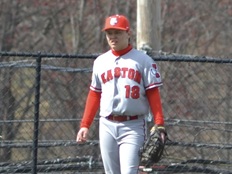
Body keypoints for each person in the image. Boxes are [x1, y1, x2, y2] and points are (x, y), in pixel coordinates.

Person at [76, 14, 166, 174]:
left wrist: (159, 123)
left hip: (133, 125)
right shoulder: (100, 62)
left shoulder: (142, 60)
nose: (113, 37)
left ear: (128, 33)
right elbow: (94, 94)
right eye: (109, 33)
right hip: (107, 125)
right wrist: (85, 125)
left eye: (117, 32)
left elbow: (153, 93)